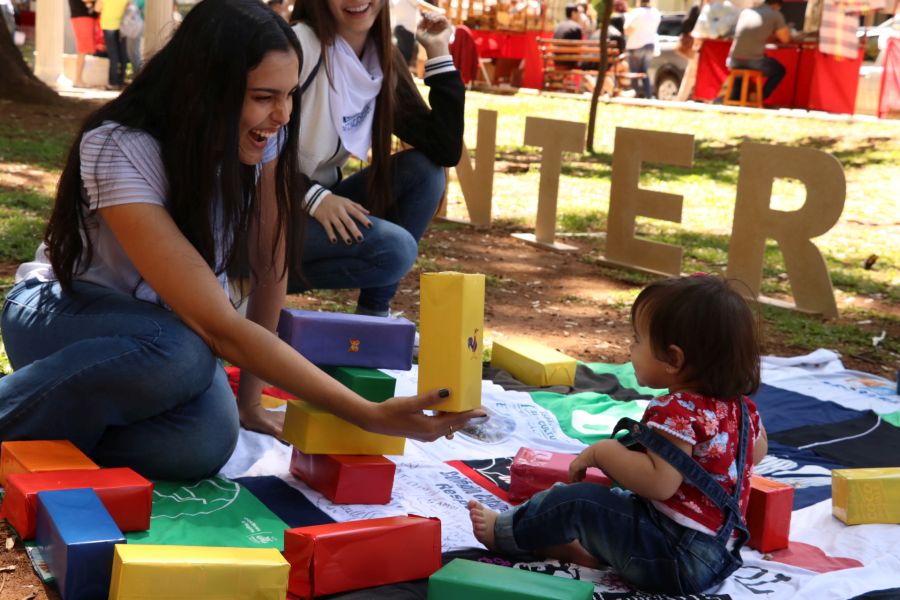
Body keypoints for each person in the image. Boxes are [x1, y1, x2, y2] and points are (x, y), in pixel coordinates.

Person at [0, 0, 481, 482]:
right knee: (185, 352)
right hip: (61, 318)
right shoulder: (119, 145)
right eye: (264, 97)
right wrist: (368, 414)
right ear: (206, 87)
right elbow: (218, 327)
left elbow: (271, 266)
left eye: (290, 95)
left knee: (205, 442)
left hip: (162, 342)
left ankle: (48, 434)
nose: (282, 115)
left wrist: (250, 403)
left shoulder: (261, 140)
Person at [468, 275, 768, 594]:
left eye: (638, 340)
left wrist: (604, 452)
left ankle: (504, 533)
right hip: (719, 556)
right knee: (619, 502)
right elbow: (756, 453)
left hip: (673, 559)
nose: (630, 348)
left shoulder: (675, 410)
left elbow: (660, 483)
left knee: (575, 501)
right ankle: (576, 551)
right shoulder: (741, 409)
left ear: (673, 359)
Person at [286, 0, 465, 318]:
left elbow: (444, 148)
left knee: (425, 173)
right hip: (261, 211)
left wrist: (438, 52)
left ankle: (373, 319)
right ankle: (246, 278)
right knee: (394, 250)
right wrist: (311, 196)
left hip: (315, 206)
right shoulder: (297, 46)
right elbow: (241, 150)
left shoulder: (378, 57)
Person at [727, 0, 794, 101]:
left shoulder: (746, 12)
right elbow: (785, 38)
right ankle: (760, 96)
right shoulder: (775, 14)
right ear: (777, 5)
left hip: (732, 60)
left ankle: (736, 97)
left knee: (742, 68)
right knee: (779, 70)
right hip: (754, 61)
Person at [624, 0, 660, 98]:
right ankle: (648, 95)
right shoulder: (656, 13)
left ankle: (635, 94)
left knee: (634, 73)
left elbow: (627, 29)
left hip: (635, 45)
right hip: (650, 45)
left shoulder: (636, 13)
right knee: (644, 72)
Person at [94, 0, 129, 89]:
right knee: (122, 53)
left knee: (113, 54)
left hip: (108, 25)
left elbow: (97, 9)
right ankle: (121, 80)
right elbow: (129, 7)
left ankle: (113, 82)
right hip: (123, 25)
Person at [67, 0, 98, 88]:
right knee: (83, 50)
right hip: (82, 17)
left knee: (83, 50)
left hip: (83, 17)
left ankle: (79, 79)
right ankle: (78, 80)